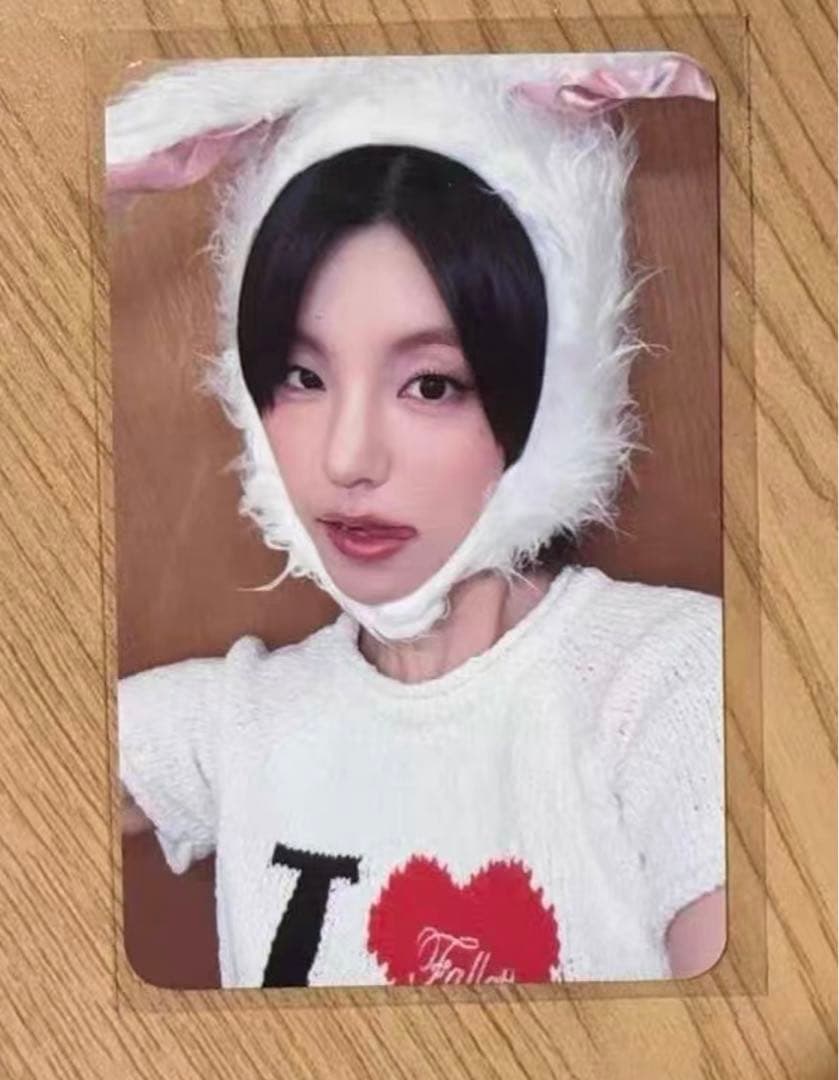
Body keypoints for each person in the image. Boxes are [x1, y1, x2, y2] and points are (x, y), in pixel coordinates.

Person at [110, 54, 725, 989]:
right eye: (301, 376)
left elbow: (749, 1033)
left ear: (549, 393)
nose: (347, 458)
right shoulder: (240, 722)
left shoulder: (672, 681)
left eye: (431, 385)